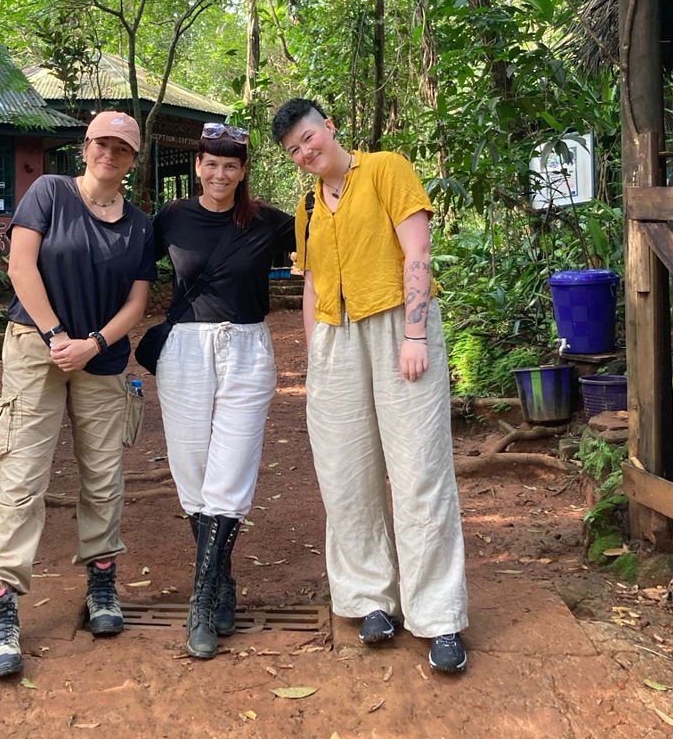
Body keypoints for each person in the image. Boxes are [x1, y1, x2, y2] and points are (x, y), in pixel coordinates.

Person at [270, 99, 469, 673]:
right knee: (345, 472)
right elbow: (308, 286)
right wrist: (314, 356)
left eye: (310, 138)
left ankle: (439, 616)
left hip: (396, 326)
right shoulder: (308, 206)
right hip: (335, 338)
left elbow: (418, 252)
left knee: (419, 469)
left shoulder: (386, 168)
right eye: (295, 150)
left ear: (329, 128)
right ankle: (368, 599)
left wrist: (415, 335)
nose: (307, 152)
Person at [0, 111, 156, 679]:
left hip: (100, 359)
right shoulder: (49, 192)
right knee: (23, 474)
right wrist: (58, 336)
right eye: (102, 143)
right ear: (86, 147)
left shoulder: (140, 224)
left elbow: (138, 301)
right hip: (37, 348)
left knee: (103, 474)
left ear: (133, 159)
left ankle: (102, 580)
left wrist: (93, 342)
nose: (110, 154)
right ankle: (1, 602)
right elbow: (20, 264)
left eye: (122, 148)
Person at [151, 122, 294, 659]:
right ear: (197, 166)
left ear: (243, 172)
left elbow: (332, 230)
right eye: (211, 163)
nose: (219, 173)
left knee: (231, 469)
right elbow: (130, 269)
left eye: (230, 165)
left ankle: (202, 598)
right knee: (191, 469)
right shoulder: (170, 218)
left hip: (247, 350)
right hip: (185, 349)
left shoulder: (268, 222)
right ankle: (224, 579)